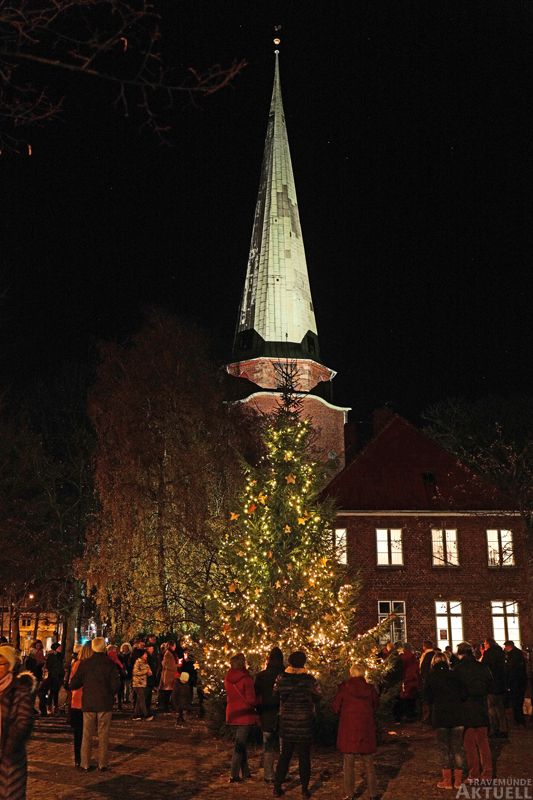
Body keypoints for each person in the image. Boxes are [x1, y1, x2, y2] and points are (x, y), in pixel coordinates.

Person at [273, 651, 321, 799]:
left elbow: (275, 694)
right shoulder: (310, 680)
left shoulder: (282, 678)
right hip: (304, 724)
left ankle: (277, 787)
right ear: (303, 662)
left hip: (287, 724)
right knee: (304, 757)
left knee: (284, 756)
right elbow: (318, 696)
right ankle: (304, 789)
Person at [69, 636, 121, 771]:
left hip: (89, 703)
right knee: (103, 734)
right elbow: (116, 685)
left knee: (87, 734)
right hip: (104, 703)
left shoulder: (85, 663)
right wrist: (110, 693)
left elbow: (74, 683)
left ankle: (85, 763)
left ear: (92, 647)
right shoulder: (109, 664)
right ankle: (102, 764)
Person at [332, 663, 379, 800]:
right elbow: (376, 705)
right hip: (366, 729)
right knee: (369, 762)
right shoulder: (370, 689)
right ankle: (373, 793)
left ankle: (349, 793)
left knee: (348, 763)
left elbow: (336, 707)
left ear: (351, 673)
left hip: (349, 729)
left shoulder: (344, 688)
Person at [424, 651, 466, 790]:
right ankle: (458, 780)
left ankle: (447, 780)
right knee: (457, 747)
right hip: (457, 715)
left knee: (444, 748)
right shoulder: (455, 675)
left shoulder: (432, 677)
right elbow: (464, 693)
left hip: (441, 716)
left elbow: (427, 698)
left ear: (434, 662)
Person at [0, 645, 37, 800]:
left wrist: (8, 748)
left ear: (10, 666)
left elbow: (24, 723)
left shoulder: (19, 690)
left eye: (1, 664)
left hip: (9, 762)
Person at [454, 641, 494, 782]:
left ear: (460, 653)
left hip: (466, 710)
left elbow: (456, 691)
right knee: (483, 742)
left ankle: (474, 774)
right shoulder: (482, 666)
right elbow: (490, 683)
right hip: (481, 707)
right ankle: (487, 773)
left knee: (469, 744)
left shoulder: (458, 669)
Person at [224, 652, 257, 783]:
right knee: (239, 746)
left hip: (232, 714)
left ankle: (246, 772)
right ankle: (234, 774)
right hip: (244, 715)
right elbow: (251, 699)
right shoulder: (246, 679)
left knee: (241, 745)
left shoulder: (228, 677)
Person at [254, 647, 285, 783]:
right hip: (282, 714)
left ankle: (269, 774)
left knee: (268, 746)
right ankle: (283, 773)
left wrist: (258, 711)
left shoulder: (261, 676)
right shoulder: (285, 676)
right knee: (284, 746)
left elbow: (256, 695)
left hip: (266, 714)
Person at [67, 642, 93, 767]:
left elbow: (70, 682)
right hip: (86, 700)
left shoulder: (76, 664)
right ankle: (83, 758)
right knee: (85, 732)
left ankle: (79, 758)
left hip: (76, 700)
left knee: (78, 733)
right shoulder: (88, 666)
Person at [481, 636, 508, 737]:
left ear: (488, 644)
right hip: (501, 684)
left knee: (491, 708)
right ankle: (503, 729)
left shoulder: (488, 653)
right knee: (500, 708)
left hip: (491, 685)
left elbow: (484, 667)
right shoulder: (501, 653)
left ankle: (494, 729)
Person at [504, 640, 527, 728]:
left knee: (516, 703)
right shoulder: (519, 654)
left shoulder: (512, 655)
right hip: (521, 682)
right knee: (519, 702)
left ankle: (519, 721)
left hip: (515, 682)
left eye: (506, 646)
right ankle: (520, 721)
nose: (505, 648)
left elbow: (511, 670)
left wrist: (508, 683)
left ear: (509, 646)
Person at [394, 643, 420, 722]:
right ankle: (409, 715)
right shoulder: (412, 657)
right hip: (411, 679)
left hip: (406, 679)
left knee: (404, 698)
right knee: (410, 698)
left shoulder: (402, 657)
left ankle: (403, 715)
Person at [131, 650, 153, 721]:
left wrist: (149, 672)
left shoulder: (145, 662)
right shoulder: (138, 662)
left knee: (139, 700)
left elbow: (148, 670)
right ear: (141, 655)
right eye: (145, 654)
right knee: (142, 699)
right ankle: (146, 715)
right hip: (137, 684)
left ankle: (135, 715)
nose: (146, 656)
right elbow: (135, 672)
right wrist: (146, 671)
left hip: (143, 683)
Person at [45, 643, 64, 715]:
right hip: (53, 676)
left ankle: (55, 707)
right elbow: (48, 666)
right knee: (52, 691)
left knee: (56, 692)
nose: (61, 648)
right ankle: (50, 707)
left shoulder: (60, 656)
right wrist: (54, 671)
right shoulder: (51, 656)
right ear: (56, 648)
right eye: (59, 647)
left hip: (59, 676)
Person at [419, 640, 435, 723]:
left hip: (427, 679)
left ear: (424, 646)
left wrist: (424, 678)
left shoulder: (426, 655)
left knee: (427, 699)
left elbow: (423, 668)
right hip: (432, 679)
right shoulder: (434, 654)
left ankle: (427, 718)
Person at [158, 641, 177, 712]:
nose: (175, 647)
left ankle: (166, 707)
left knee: (169, 692)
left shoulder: (171, 653)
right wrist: (176, 665)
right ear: (172, 646)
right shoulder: (168, 654)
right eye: (174, 646)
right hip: (168, 676)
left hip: (170, 675)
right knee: (167, 692)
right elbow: (166, 664)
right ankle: (165, 707)